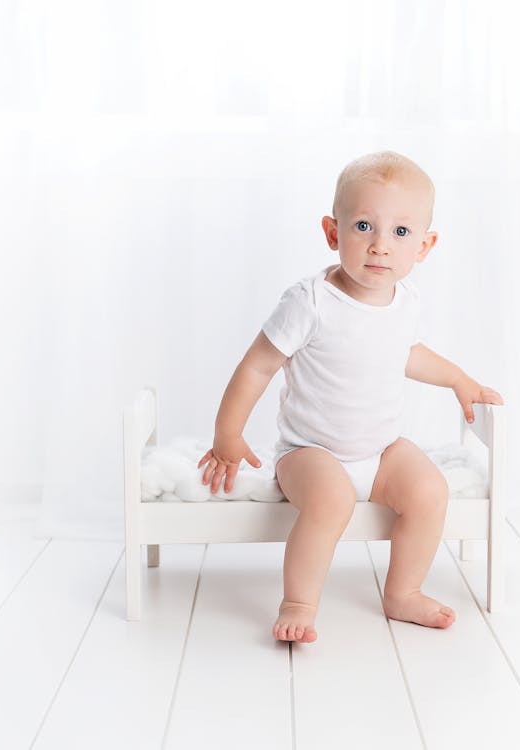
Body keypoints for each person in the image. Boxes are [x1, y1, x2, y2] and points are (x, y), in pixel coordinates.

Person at [197, 151, 504, 643]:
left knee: (430, 492)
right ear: (333, 233)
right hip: (309, 452)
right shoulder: (310, 301)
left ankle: (403, 592)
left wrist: (458, 379)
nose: (381, 246)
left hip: (380, 449)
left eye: (400, 233)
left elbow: (408, 353)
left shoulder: (405, 303)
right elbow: (257, 365)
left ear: (423, 246)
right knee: (332, 500)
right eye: (364, 225)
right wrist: (226, 433)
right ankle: (298, 600)